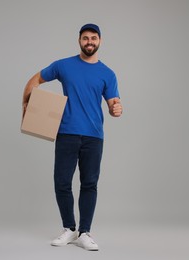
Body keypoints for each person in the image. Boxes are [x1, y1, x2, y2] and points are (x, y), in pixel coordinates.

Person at [22, 24, 122, 251]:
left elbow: (113, 104)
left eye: (93, 38)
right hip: (66, 132)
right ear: (79, 40)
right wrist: (26, 101)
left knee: (89, 184)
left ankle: (85, 232)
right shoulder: (63, 65)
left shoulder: (108, 74)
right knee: (62, 183)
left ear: (100, 42)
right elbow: (35, 80)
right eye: (85, 38)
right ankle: (69, 228)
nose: (89, 41)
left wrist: (117, 109)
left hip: (94, 136)